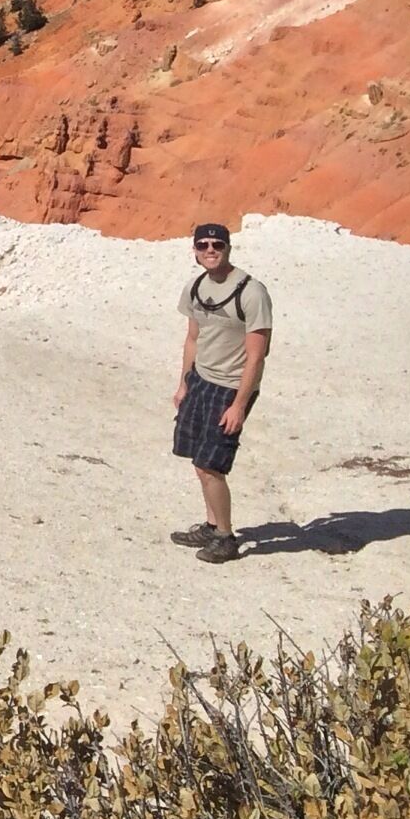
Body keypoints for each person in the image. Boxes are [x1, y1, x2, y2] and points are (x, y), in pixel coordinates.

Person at [168, 221, 271, 563]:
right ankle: (212, 526)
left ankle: (226, 537)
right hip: (201, 381)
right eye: (203, 245)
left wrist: (239, 404)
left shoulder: (251, 292)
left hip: (230, 387)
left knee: (211, 464)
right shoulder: (196, 287)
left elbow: (257, 354)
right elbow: (193, 338)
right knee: (199, 461)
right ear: (195, 251)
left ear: (228, 248)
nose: (210, 250)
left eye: (217, 245)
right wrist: (184, 382)